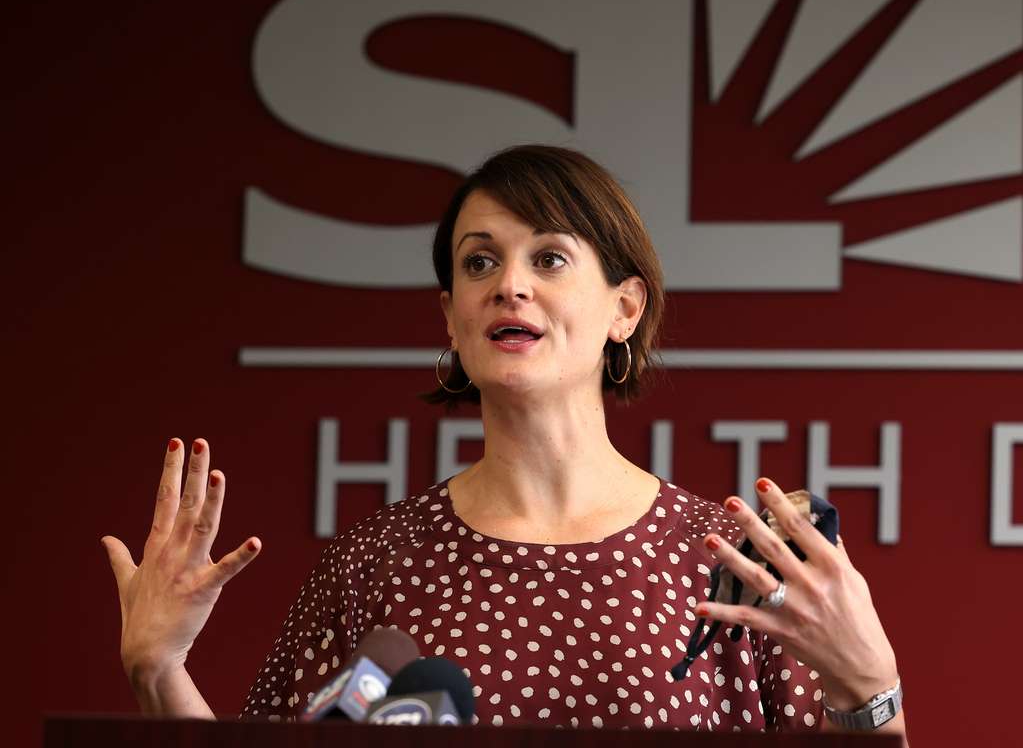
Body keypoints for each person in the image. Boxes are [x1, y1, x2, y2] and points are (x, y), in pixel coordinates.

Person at [102, 145, 908, 738]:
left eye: (550, 257)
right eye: (480, 262)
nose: (509, 285)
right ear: (452, 316)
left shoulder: (729, 557)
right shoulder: (372, 562)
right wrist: (158, 672)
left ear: (624, 309)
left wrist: (871, 681)